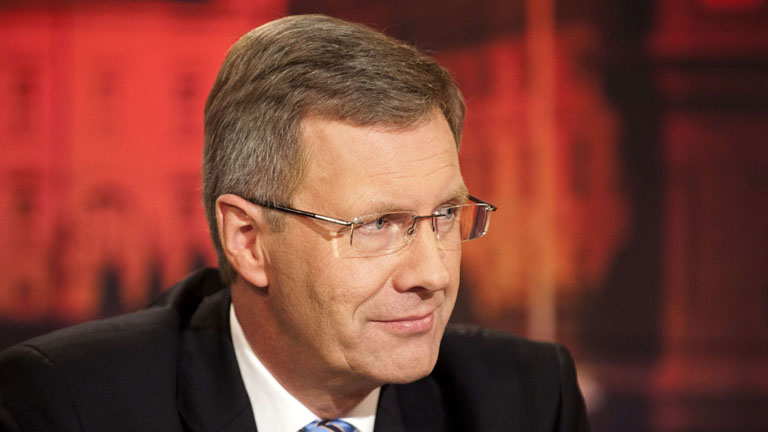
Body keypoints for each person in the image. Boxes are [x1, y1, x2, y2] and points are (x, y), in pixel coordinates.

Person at [0, 14, 589, 432]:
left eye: (444, 215)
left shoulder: (530, 401)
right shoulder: (71, 406)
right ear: (248, 240)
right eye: (378, 224)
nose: (432, 275)